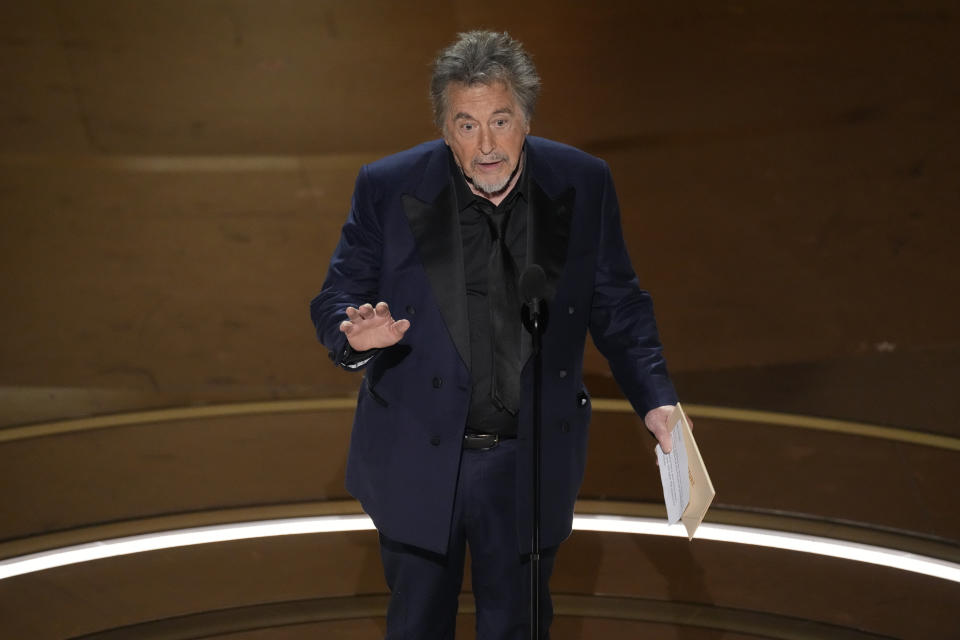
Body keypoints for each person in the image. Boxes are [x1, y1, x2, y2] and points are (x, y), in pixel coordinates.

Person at [310, 30, 678, 640]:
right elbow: (336, 296)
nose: (486, 145)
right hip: (418, 459)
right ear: (444, 130)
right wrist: (356, 336)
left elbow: (617, 302)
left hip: (526, 462)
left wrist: (656, 398)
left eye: (501, 121)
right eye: (466, 125)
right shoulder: (387, 185)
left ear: (526, 118)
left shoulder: (583, 182)